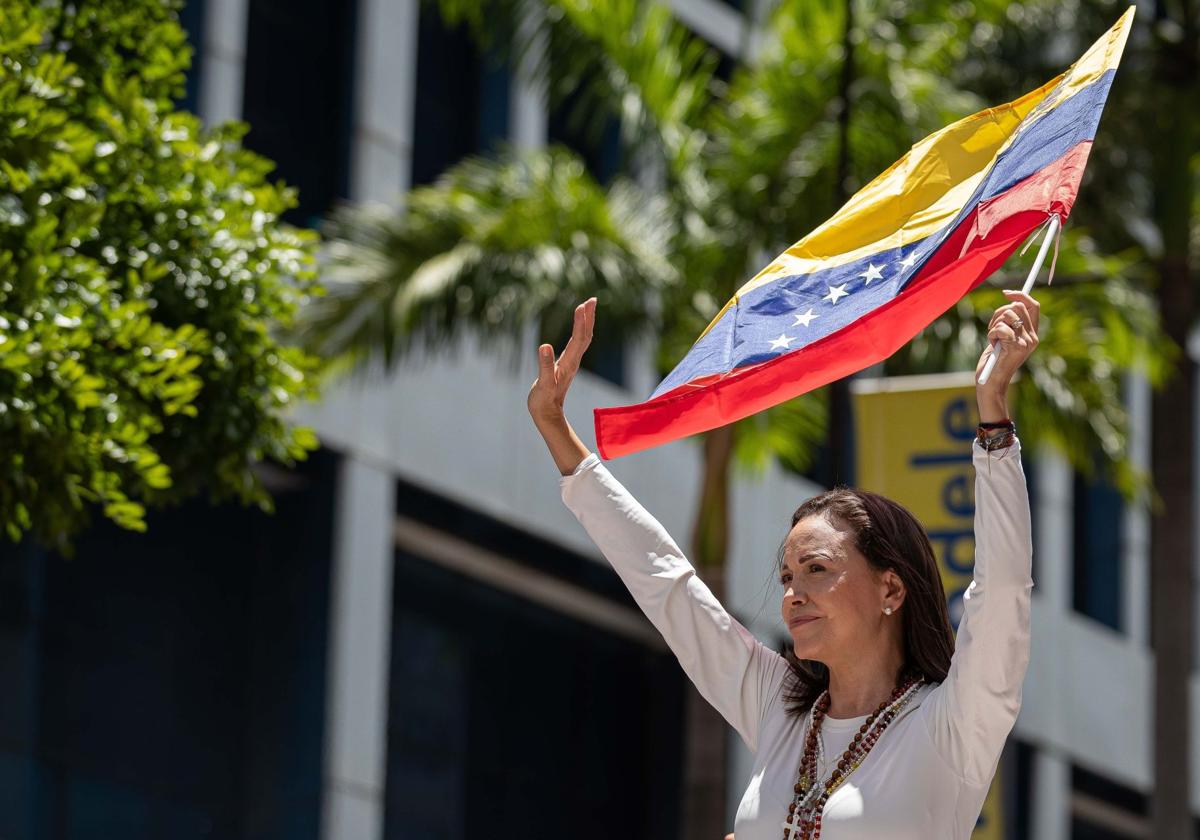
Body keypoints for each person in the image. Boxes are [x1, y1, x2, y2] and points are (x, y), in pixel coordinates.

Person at [527, 292, 1038, 840]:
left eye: (817, 570)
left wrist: (993, 416)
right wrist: (558, 430)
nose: (793, 594)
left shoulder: (954, 723)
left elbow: (1003, 589)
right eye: (789, 577)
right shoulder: (781, 710)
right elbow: (667, 583)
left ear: (891, 588)